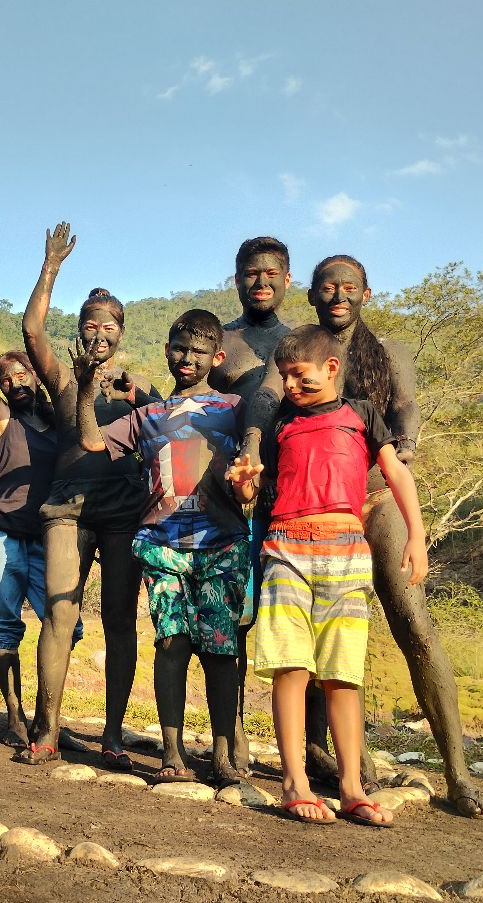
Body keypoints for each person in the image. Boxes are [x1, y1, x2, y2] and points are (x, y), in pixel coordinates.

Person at [302, 254, 483, 818]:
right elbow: (273, 404)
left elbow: (406, 410)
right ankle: (338, 757)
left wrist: (399, 452)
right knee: (321, 632)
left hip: (377, 495)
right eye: (328, 288)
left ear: (367, 292)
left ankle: (457, 772)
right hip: (317, 505)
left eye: (349, 288)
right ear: (312, 296)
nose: (339, 296)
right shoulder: (301, 347)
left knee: (414, 622)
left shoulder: (389, 352)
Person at [253, 322, 428, 826]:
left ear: (331, 368)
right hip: (286, 548)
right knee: (290, 667)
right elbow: (258, 487)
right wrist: (245, 485)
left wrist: (416, 536)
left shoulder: (362, 415)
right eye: (284, 376)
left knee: (342, 674)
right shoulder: (281, 422)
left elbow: (396, 472)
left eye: (298, 375)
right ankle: (294, 782)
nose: (289, 385)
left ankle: (352, 785)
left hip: (347, 553)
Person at [77, 309, 259, 787]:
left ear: (217, 357)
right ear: (166, 350)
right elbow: (91, 441)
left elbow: (258, 458)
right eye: (179, 349)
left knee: (221, 652)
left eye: (199, 352)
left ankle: (221, 754)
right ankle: (172, 752)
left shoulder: (236, 408)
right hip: (162, 545)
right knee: (171, 643)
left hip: (222, 543)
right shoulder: (147, 416)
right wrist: (83, 389)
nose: (187, 359)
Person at [18, 222, 162, 768]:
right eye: (90, 323)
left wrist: (139, 397)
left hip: (124, 509)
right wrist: (51, 265)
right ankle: (47, 728)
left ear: (122, 333)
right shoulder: (61, 379)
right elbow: (33, 332)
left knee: (122, 622)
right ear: (79, 328)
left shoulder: (137, 392)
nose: (100, 331)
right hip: (67, 506)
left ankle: (113, 735)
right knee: (59, 611)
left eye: (110, 324)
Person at [0, 260, 81, 749]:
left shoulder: (59, 420)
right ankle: (17, 717)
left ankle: (52, 720)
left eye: (23, 371)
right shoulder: (1, 419)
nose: (15, 380)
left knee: (62, 622)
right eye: (7, 377)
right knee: (5, 623)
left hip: (46, 534)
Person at [211, 236, 292, 773]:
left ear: (287, 280)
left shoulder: (303, 341)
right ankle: (231, 733)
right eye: (249, 273)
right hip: (231, 503)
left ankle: (314, 745)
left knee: (295, 622)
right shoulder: (220, 342)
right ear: (236, 278)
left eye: (270, 274)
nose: (259, 283)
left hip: (293, 497)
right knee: (232, 617)